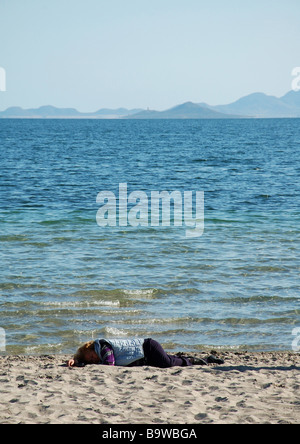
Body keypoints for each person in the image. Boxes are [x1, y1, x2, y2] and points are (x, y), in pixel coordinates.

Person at [67, 337, 224, 368]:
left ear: (90, 349)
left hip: (148, 347)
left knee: (167, 363)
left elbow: (110, 364)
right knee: (167, 361)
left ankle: (192, 360)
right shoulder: (97, 353)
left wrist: (82, 365)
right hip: (145, 357)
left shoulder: (103, 348)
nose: (94, 360)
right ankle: (205, 359)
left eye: (91, 357)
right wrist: (77, 362)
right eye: (92, 361)